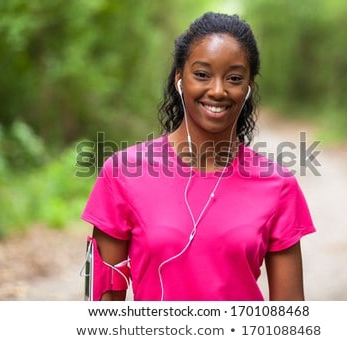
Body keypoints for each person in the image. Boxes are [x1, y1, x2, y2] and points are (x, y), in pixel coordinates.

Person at [81, 12, 316, 301]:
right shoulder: (122, 173)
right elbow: (101, 310)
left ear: (248, 87)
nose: (218, 91)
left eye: (234, 78)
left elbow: (290, 316)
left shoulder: (278, 186)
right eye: (202, 74)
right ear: (180, 79)